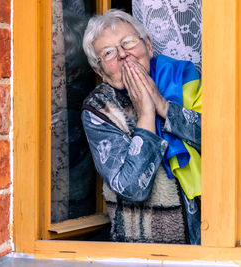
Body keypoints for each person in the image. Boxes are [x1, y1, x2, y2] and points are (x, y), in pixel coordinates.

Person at [81, 9, 201, 244]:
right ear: (99, 71)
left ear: (148, 45)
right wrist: (146, 114)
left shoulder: (182, 76)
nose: (124, 55)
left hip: (210, 229)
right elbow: (132, 188)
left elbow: (220, 141)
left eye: (128, 42)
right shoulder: (99, 108)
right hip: (145, 246)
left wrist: (164, 107)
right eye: (109, 52)